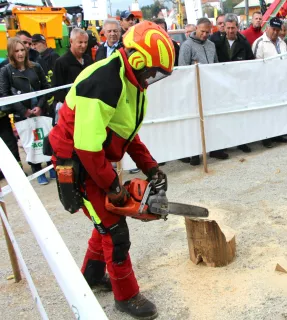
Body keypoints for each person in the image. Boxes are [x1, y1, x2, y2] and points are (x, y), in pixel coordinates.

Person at [48, 21, 175, 319]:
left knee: (105, 219)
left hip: (95, 156)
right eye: (151, 71)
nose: (151, 78)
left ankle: (90, 276)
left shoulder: (130, 80)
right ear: (137, 59)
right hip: (78, 161)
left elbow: (126, 133)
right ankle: (126, 296)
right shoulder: (104, 83)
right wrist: (113, 187)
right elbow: (88, 148)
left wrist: (151, 167)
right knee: (116, 231)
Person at [0, 37, 52, 185]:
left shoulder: (35, 66)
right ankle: (36, 169)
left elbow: (46, 87)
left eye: (22, 50)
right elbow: (5, 95)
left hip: (40, 111)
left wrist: (40, 106)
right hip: (22, 115)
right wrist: (24, 111)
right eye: (17, 51)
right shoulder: (6, 71)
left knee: (46, 138)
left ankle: (50, 166)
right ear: (11, 52)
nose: (20, 53)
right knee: (31, 142)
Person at [179, 18, 229, 165]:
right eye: (202, 31)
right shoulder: (187, 46)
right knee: (195, 122)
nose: (205, 34)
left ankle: (214, 148)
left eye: (208, 32)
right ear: (196, 28)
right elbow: (182, 68)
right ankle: (195, 152)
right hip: (193, 90)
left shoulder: (211, 45)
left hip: (210, 89)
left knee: (212, 119)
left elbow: (215, 65)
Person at [211, 13, 254, 153]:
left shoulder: (244, 42)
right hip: (220, 85)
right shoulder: (216, 41)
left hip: (238, 85)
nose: (230, 31)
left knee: (240, 115)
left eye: (233, 28)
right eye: (228, 28)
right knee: (222, 116)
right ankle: (221, 145)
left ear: (237, 27)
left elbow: (251, 63)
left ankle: (242, 141)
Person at [252, 17, 287, 148]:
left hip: (280, 83)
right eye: (273, 29)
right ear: (267, 27)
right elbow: (256, 66)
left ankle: (278, 133)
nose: (275, 32)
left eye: (278, 30)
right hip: (265, 83)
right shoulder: (260, 43)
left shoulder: (283, 43)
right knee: (266, 111)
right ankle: (265, 136)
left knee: (279, 109)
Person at [52, 28, 93, 110]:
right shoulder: (61, 62)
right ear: (71, 41)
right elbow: (57, 89)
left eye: (85, 42)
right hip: (70, 108)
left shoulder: (88, 59)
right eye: (80, 42)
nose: (84, 45)